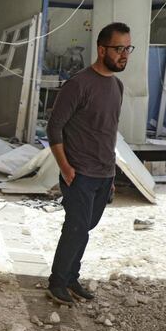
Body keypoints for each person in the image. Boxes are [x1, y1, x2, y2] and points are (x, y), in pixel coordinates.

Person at [45, 22, 133, 305]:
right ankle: (57, 283)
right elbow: (54, 128)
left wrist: (112, 174)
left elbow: (107, 132)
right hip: (79, 173)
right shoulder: (79, 84)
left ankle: (71, 279)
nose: (124, 55)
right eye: (119, 49)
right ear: (101, 49)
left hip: (104, 173)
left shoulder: (117, 86)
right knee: (75, 227)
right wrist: (66, 168)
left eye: (128, 48)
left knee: (85, 229)